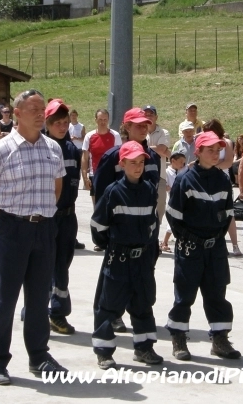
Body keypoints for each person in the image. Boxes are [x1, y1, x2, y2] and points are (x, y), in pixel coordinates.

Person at [0, 89, 68, 385]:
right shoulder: (0, 151)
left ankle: (39, 356)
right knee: (3, 299)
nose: (41, 114)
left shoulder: (53, 149)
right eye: (33, 109)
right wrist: (4, 226)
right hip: (11, 230)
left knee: (39, 299)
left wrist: (39, 219)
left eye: (43, 109)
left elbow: (56, 189)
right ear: (17, 114)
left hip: (44, 229)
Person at [165, 131, 240, 361]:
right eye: (210, 150)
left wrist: (215, 238)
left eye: (218, 150)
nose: (216, 154)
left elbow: (227, 214)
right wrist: (188, 239)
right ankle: (179, 338)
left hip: (215, 247)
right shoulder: (185, 179)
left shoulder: (223, 180)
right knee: (185, 295)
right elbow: (173, 215)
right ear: (198, 152)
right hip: (190, 247)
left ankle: (220, 340)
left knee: (217, 294)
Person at [90, 141, 163, 369]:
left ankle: (144, 348)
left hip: (142, 259)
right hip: (118, 259)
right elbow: (98, 227)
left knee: (143, 303)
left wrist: (150, 251)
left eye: (141, 162)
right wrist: (113, 246)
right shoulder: (113, 192)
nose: (138, 167)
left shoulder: (149, 190)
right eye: (133, 163)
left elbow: (153, 223)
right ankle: (104, 352)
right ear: (122, 164)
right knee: (108, 305)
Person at [44, 99, 82, 335]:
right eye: (57, 123)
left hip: (68, 217)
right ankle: (51, 312)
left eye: (65, 122)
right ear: (47, 124)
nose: (62, 127)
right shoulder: (40, 148)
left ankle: (49, 310)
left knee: (62, 266)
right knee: (44, 266)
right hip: (47, 218)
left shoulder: (72, 150)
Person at [203, 119, 241, 257]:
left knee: (228, 213)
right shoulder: (204, 142)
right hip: (206, 180)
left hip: (222, 180)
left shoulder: (227, 142)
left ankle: (235, 245)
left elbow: (228, 162)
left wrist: (213, 166)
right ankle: (216, 243)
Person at [81, 109, 122, 208]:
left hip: (112, 176)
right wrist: (85, 178)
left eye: (105, 120)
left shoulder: (115, 135)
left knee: (112, 206)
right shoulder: (89, 136)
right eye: (100, 119)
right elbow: (85, 158)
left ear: (108, 120)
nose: (103, 122)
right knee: (97, 206)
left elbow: (120, 156)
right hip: (95, 175)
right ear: (95, 120)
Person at [144, 105, 171, 224]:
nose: (148, 116)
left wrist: (142, 148)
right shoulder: (140, 131)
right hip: (143, 174)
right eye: (146, 114)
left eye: (151, 114)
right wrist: (161, 150)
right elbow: (161, 151)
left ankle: (156, 230)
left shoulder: (164, 132)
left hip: (160, 175)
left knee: (160, 207)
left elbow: (161, 149)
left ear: (156, 117)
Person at [160, 149, 188, 253]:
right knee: (172, 222)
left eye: (184, 162)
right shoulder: (167, 172)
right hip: (171, 199)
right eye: (180, 162)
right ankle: (164, 242)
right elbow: (164, 186)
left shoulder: (183, 171)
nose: (182, 164)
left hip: (182, 199)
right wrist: (170, 187)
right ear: (173, 161)